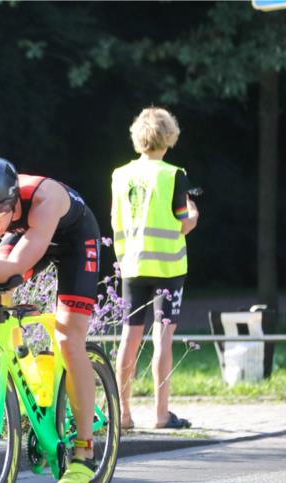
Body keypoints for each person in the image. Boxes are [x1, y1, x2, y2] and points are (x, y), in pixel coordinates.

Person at [0, 157, 102, 483]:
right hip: (28, 235)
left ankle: (84, 452)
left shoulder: (45, 198)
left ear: (13, 201)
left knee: (69, 340)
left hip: (74, 241)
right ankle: (22, 363)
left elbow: (13, 267)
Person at [110, 107, 199, 430]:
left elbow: (115, 218)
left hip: (132, 264)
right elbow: (183, 222)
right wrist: (194, 213)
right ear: (169, 136)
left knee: (129, 337)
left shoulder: (120, 175)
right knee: (163, 339)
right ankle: (161, 414)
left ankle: (123, 414)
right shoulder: (174, 175)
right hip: (168, 266)